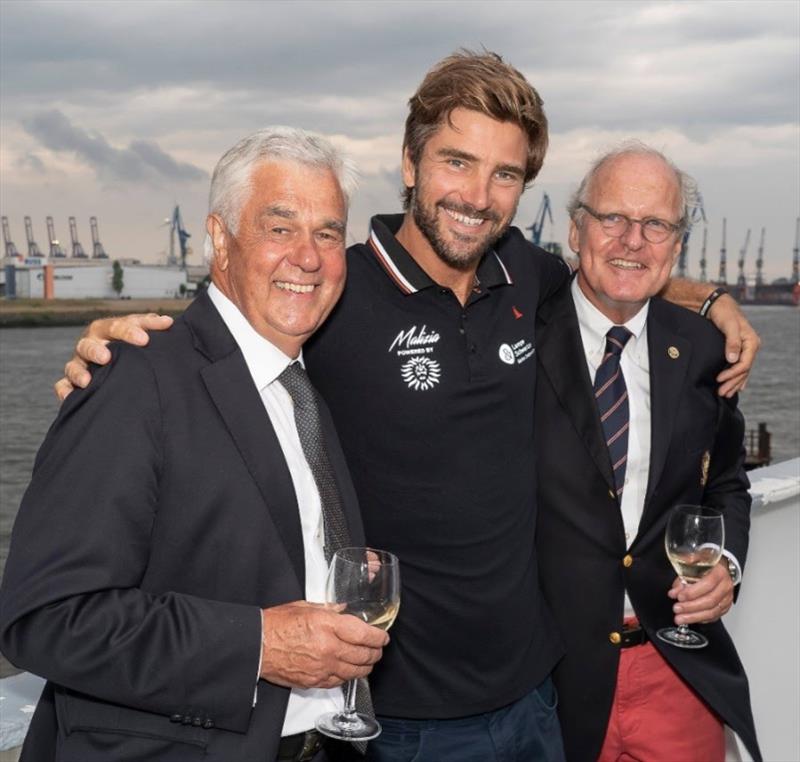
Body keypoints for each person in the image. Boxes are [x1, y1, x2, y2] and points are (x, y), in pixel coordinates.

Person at [51, 52, 761, 761]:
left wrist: (711, 300)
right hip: (403, 719)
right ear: (411, 163)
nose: (478, 195)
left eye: (505, 174)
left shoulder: (526, 274)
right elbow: (223, 336)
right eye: (457, 162)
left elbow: (617, 267)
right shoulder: (333, 292)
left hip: (537, 697)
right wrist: (122, 352)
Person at [0, 127, 390, 762]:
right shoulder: (134, 376)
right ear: (218, 238)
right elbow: (46, 617)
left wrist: (329, 568)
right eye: (280, 227)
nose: (309, 256)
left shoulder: (301, 383)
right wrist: (260, 644)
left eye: (327, 232)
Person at [534, 142, 761, 761]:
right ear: (577, 229)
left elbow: (728, 484)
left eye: (655, 224)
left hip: (676, 666)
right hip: (550, 684)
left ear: (676, 244)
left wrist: (727, 566)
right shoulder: (517, 334)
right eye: (612, 219)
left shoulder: (701, 351)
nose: (632, 240)